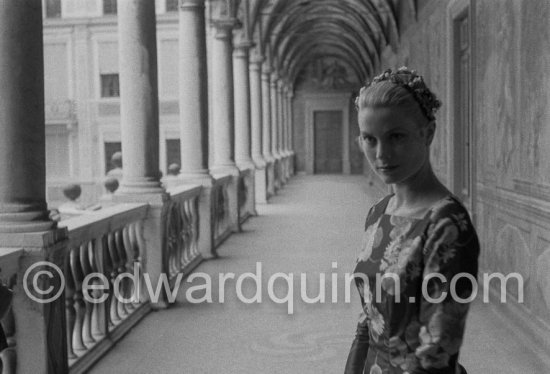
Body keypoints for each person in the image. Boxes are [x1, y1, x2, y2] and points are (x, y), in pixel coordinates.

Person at [345, 67, 479, 374]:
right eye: (369, 139)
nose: (381, 154)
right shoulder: (379, 212)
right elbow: (368, 318)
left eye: (396, 136)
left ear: (427, 133)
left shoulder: (448, 224)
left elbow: (438, 352)